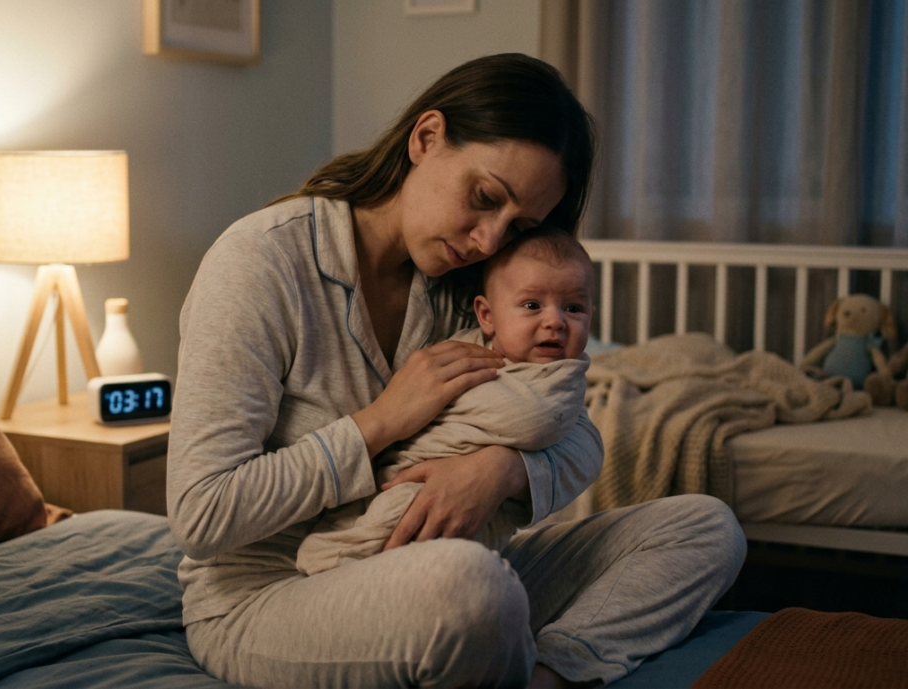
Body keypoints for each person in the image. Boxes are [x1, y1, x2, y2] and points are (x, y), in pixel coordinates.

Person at [167, 53, 746, 688]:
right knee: (476, 594)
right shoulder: (261, 264)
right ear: (426, 138)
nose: (490, 241)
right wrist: (377, 424)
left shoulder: (461, 286)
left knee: (705, 527)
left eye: (519, 225)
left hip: (447, 560)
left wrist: (499, 470)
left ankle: (553, 672)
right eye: (484, 198)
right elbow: (201, 514)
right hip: (271, 591)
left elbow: (576, 428)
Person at [296, 228, 595, 575]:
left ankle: (331, 563)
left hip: (442, 507)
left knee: (405, 517)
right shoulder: (468, 342)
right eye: (532, 305)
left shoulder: (561, 376)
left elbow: (535, 420)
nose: (555, 321)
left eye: (574, 308)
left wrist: (499, 469)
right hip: (390, 474)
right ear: (486, 316)